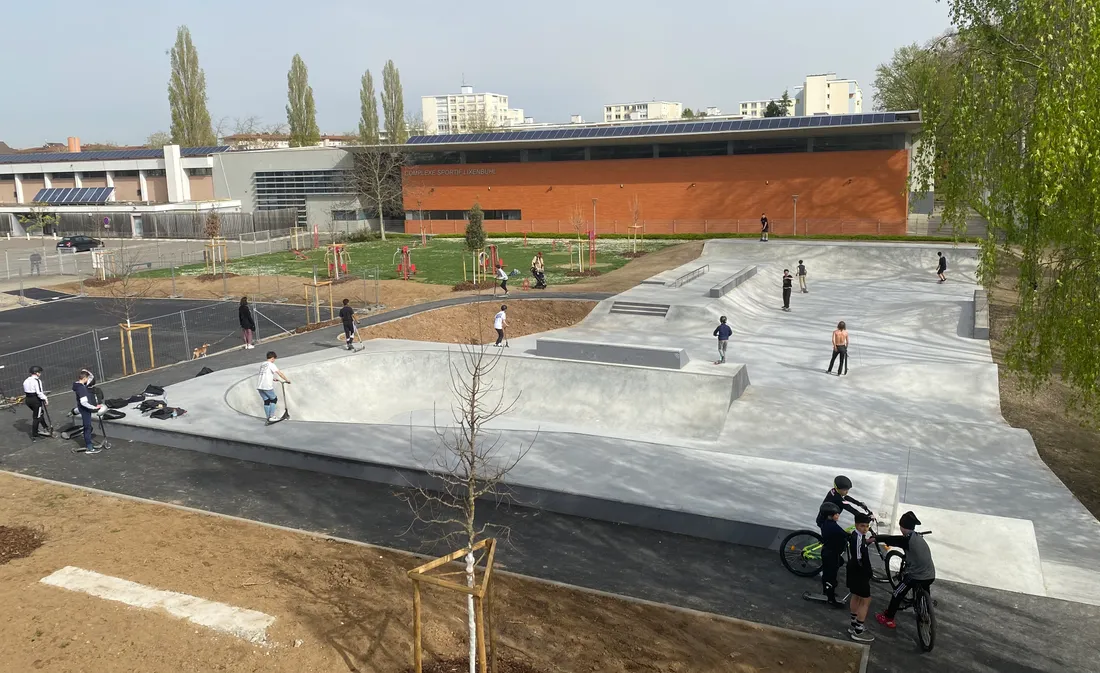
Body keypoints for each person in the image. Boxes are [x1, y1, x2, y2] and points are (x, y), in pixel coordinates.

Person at [875, 511, 936, 629]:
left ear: (902, 527)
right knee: (924, 587)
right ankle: (925, 612)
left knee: (897, 592)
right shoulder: (917, 537)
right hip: (930, 575)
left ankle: (888, 618)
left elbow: (891, 539)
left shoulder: (906, 540)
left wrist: (875, 539)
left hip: (915, 577)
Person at [846, 512, 876, 642]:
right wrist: (866, 572)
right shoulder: (858, 539)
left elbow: (860, 547)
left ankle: (853, 623)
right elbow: (859, 556)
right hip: (860, 571)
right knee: (866, 600)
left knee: (856, 595)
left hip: (852, 569)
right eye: (862, 526)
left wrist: (867, 542)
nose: (865, 529)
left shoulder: (856, 535)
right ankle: (859, 630)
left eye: (867, 526)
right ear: (856, 525)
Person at [819, 501, 848, 608]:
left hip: (829, 552)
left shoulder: (827, 523)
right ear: (830, 515)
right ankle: (831, 599)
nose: (838, 515)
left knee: (831, 571)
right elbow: (844, 534)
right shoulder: (832, 527)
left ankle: (826, 591)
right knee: (831, 577)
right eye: (836, 514)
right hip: (831, 554)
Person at [72, 369, 105, 454]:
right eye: (87, 378)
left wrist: (84, 371)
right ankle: (90, 448)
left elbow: (91, 377)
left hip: (82, 408)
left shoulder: (77, 385)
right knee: (87, 427)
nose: (89, 380)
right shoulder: (82, 388)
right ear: (85, 378)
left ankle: (89, 444)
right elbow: (84, 402)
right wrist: (94, 408)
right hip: (85, 409)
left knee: (88, 427)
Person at [257, 351, 291, 422]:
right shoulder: (271, 364)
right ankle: (272, 416)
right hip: (267, 387)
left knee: (267, 401)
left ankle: (268, 417)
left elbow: (264, 375)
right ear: (272, 358)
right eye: (274, 359)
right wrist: (287, 380)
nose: (274, 360)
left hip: (260, 386)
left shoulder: (263, 364)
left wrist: (272, 378)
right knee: (274, 399)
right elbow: (279, 373)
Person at [22, 365, 50, 442]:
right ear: (36, 373)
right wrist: (45, 399)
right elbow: (39, 392)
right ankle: (35, 435)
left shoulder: (26, 380)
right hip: (35, 401)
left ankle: (45, 427)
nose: (40, 374)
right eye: (39, 372)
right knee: (36, 417)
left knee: (40, 413)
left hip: (28, 400)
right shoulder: (37, 381)